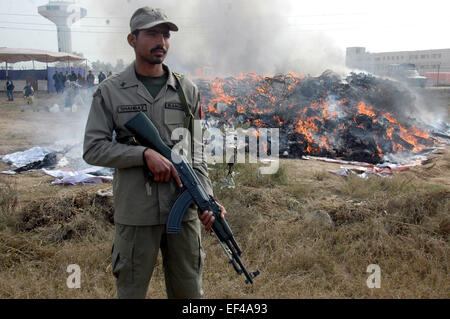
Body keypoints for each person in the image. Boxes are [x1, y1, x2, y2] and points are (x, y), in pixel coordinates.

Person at [83, 6, 226, 299]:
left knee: (189, 294)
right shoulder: (111, 91)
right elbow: (93, 148)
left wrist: (207, 199)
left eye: (165, 34)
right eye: (152, 33)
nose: (161, 41)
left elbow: (197, 154)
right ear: (132, 40)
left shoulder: (187, 90)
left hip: (182, 212)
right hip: (136, 213)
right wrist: (142, 155)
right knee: (131, 292)